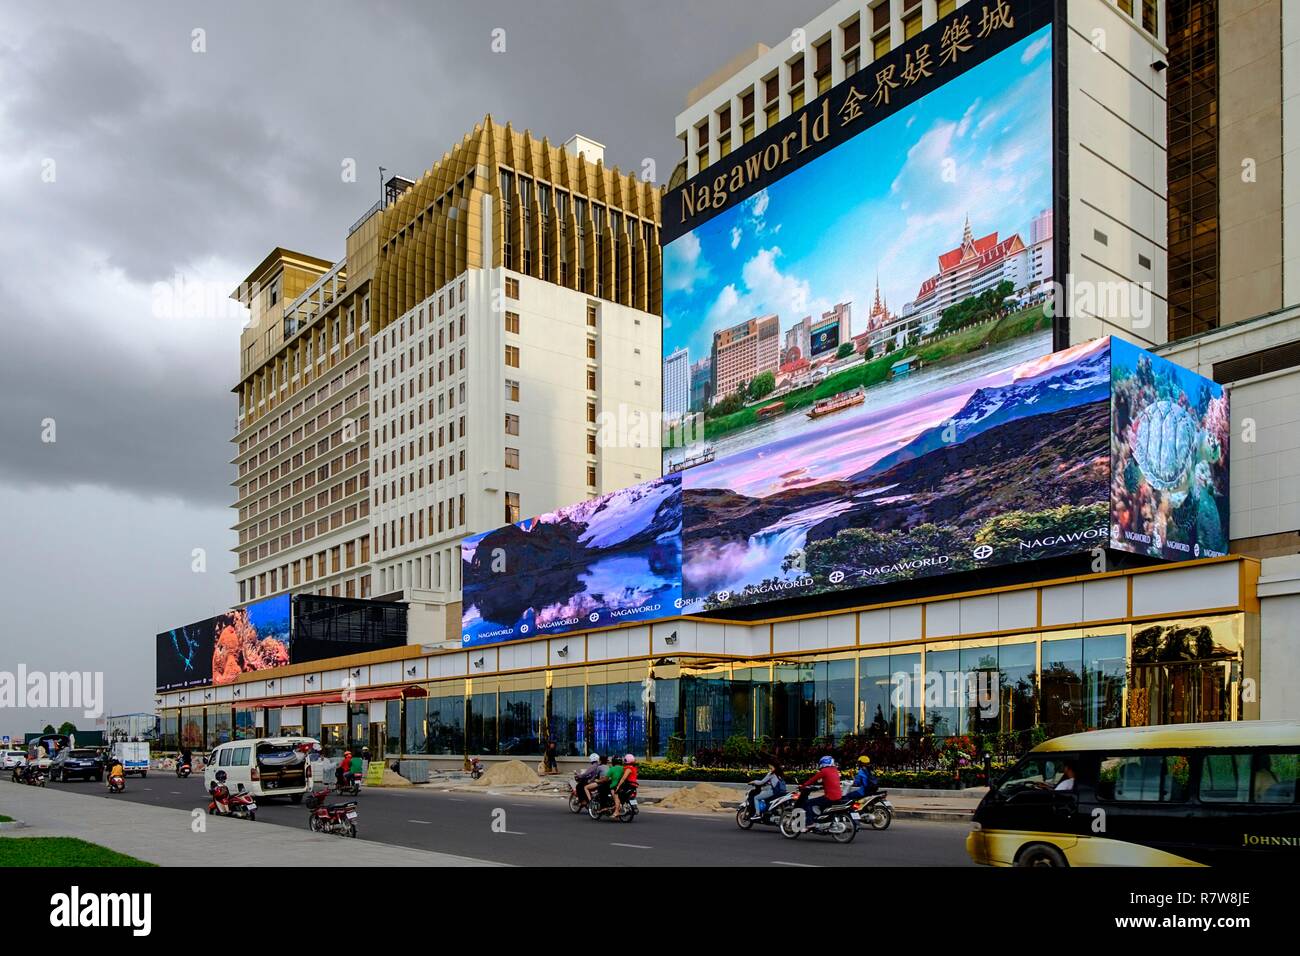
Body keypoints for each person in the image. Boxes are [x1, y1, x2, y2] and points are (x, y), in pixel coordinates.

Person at [794, 756, 843, 825]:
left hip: (830, 797)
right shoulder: (835, 770)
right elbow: (829, 782)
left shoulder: (824, 771)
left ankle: (810, 823)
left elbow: (812, 780)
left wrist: (803, 786)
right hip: (838, 796)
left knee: (808, 803)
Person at [612, 754, 638, 820]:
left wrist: (618, 786)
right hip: (633, 786)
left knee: (616, 794)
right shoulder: (634, 768)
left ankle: (616, 811)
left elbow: (623, 778)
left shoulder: (628, 769)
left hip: (628, 785)